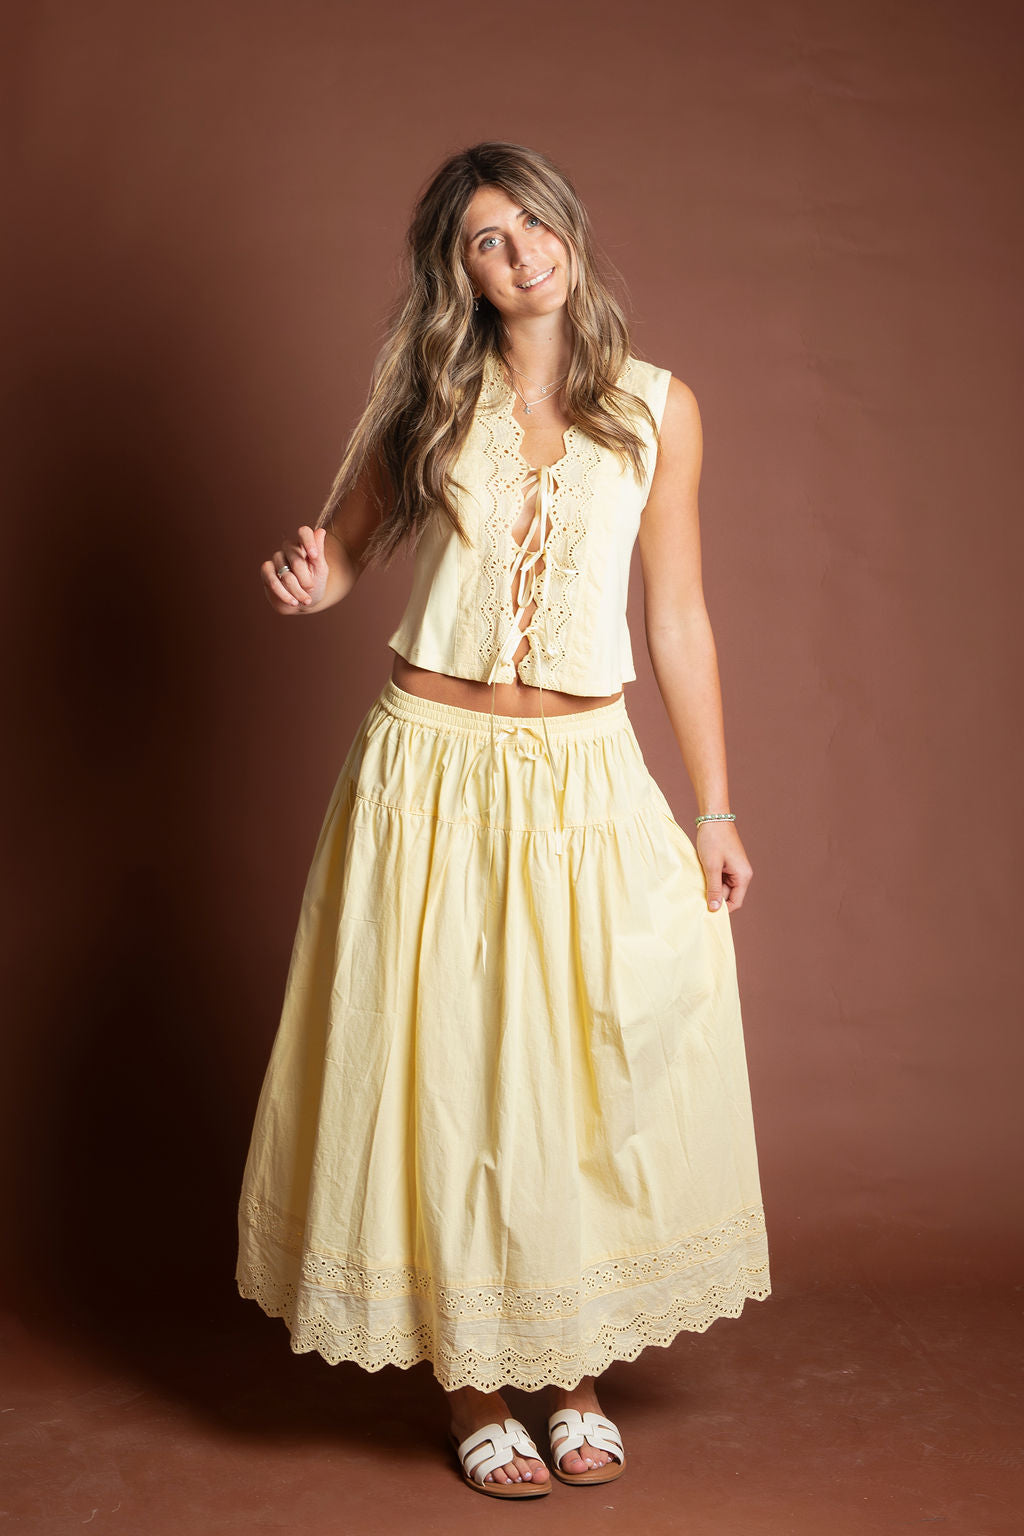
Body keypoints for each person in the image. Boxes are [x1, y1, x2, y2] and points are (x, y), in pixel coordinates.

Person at [236, 140, 771, 1500]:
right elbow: (343, 551)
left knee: (577, 1077)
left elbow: (678, 617)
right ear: (460, 272)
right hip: (426, 773)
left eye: (533, 221)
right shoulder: (429, 398)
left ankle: (573, 1374)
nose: (522, 250)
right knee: (446, 1074)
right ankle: (476, 1387)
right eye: (488, 237)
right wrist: (309, 578)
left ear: (570, 232)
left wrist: (713, 805)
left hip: (583, 776)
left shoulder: (658, 408)